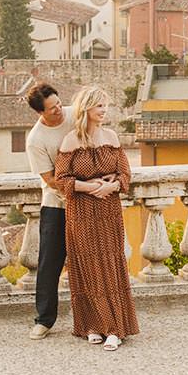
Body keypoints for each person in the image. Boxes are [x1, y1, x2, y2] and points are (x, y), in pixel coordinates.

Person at [52, 85, 138, 351]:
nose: (104, 111)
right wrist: (91, 187)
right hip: (81, 211)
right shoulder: (70, 141)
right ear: (86, 108)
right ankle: (91, 324)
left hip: (108, 210)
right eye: (99, 106)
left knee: (110, 265)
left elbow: (125, 174)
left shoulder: (111, 137)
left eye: (105, 106)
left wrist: (111, 187)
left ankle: (115, 328)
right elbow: (61, 179)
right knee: (86, 266)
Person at [25, 82, 75, 340]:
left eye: (58, 104)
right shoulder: (36, 139)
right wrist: (81, 185)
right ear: (39, 113)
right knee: (49, 264)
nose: (59, 111)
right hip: (56, 204)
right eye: (52, 109)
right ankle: (44, 320)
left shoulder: (75, 113)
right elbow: (50, 179)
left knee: (89, 261)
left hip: (88, 203)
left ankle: (93, 318)